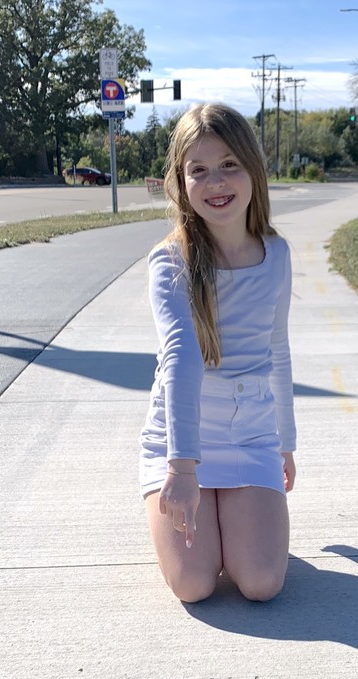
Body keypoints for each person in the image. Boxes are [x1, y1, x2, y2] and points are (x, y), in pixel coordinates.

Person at [139, 103, 296, 604]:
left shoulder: (276, 254)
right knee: (194, 584)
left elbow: (277, 349)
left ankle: (238, 516)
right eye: (199, 170)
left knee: (261, 583)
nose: (216, 182)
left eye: (229, 164)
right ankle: (189, 506)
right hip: (179, 440)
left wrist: (285, 443)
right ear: (180, 182)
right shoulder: (170, 261)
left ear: (253, 169)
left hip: (251, 435)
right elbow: (180, 357)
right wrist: (182, 469)